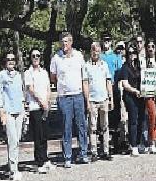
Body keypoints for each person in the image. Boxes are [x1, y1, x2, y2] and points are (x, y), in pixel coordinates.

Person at [50, 32, 90, 167]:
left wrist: (87, 99)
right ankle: (67, 156)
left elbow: (84, 78)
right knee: (66, 127)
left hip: (78, 95)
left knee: (81, 126)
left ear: (71, 42)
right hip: (64, 97)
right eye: (62, 41)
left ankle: (83, 153)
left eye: (66, 41)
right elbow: (53, 77)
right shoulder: (56, 58)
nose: (64, 44)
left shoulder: (79, 56)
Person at [0, 52, 25, 180]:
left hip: (19, 110)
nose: (11, 61)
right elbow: (0, 94)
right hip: (8, 111)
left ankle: (14, 164)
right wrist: (1, 111)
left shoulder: (19, 75)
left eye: (13, 59)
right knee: (12, 139)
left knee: (17, 139)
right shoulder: (1, 75)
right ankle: (13, 169)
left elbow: (21, 93)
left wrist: (25, 110)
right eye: (8, 59)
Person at [24, 48, 54, 173]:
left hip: (45, 107)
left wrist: (47, 103)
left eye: (37, 55)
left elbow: (48, 88)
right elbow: (30, 89)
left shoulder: (44, 72)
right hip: (35, 107)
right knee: (38, 134)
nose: (36, 58)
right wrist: (41, 102)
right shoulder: (28, 73)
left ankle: (45, 158)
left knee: (45, 134)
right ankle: (39, 161)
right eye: (33, 56)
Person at [85, 42, 114, 160]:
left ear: (100, 51)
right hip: (92, 100)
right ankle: (94, 151)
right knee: (92, 127)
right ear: (90, 51)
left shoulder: (104, 65)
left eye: (97, 50)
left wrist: (111, 98)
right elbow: (85, 83)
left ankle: (106, 150)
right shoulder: (86, 66)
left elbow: (108, 81)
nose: (95, 52)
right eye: (93, 50)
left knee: (105, 126)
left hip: (104, 99)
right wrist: (87, 100)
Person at [120, 44, 144, 156]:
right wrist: (135, 91)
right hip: (130, 96)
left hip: (141, 95)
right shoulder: (125, 67)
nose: (132, 55)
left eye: (134, 52)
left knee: (141, 119)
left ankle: (139, 142)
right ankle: (133, 145)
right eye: (129, 53)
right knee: (133, 120)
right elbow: (125, 84)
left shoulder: (139, 66)